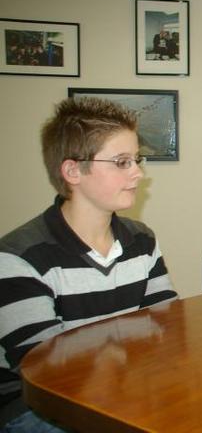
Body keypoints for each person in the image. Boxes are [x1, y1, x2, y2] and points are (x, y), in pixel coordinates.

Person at [0, 97, 178, 431]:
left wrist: (105, 353)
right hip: (37, 407)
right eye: (122, 162)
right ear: (72, 171)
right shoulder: (18, 257)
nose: (139, 173)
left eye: (136, 160)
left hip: (127, 385)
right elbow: (48, 370)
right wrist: (130, 343)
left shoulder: (141, 240)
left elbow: (168, 329)